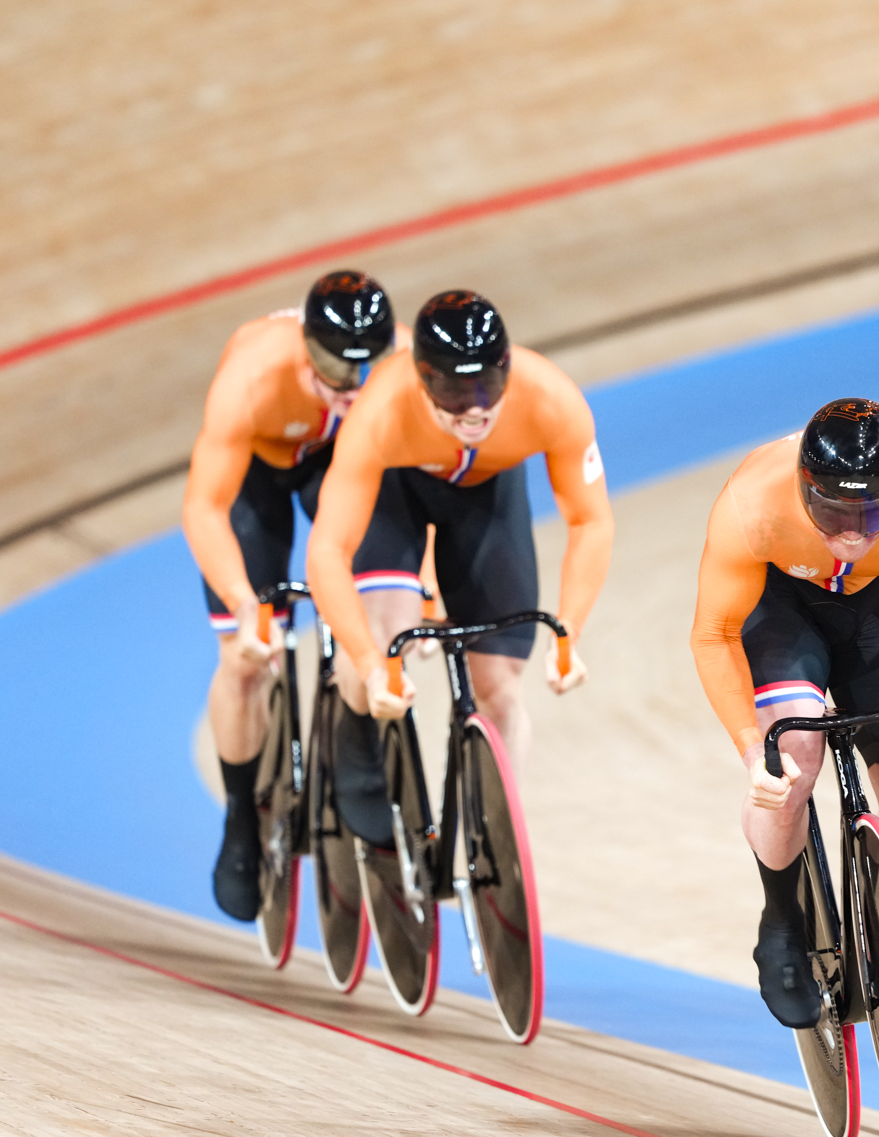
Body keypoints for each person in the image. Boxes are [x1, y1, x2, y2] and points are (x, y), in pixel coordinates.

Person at [690, 398, 879, 1027]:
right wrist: (755, 753)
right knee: (792, 762)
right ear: (805, 490)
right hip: (783, 609)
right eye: (834, 510)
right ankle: (781, 918)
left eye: (873, 509)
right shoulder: (752, 501)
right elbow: (715, 632)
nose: (854, 531)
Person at [305, 290, 613, 846]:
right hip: (395, 493)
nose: (473, 408)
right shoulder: (379, 412)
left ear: (507, 370)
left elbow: (590, 522)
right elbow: (326, 551)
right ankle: (355, 733)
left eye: (486, 386)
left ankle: (496, 842)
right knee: (385, 637)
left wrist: (569, 632)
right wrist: (373, 668)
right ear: (422, 380)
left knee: (498, 685)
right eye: (452, 390)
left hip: (485, 496)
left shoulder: (551, 398)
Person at [183, 270, 400, 921]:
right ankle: (240, 820)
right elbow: (204, 505)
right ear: (307, 348)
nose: (354, 381)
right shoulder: (251, 375)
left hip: (339, 465)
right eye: (336, 365)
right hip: (258, 478)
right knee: (243, 660)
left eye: (369, 366)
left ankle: (356, 726)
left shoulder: (409, 365)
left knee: (385, 596)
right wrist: (245, 604)